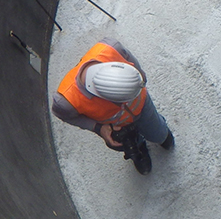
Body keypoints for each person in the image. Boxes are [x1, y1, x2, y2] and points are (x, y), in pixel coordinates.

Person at [52, 38, 174, 174]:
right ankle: (139, 148)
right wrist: (99, 128)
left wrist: (141, 77)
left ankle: (161, 135)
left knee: (157, 132)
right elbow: (68, 117)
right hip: (117, 127)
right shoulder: (65, 102)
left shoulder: (110, 49)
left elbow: (132, 61)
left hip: (143, 106)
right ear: (102, 97)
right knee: (125, 143)